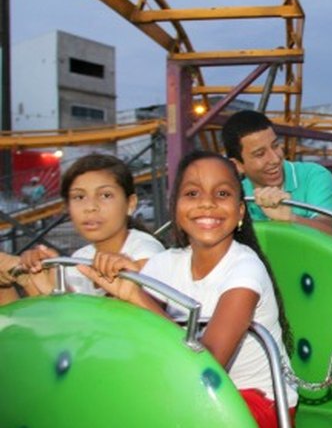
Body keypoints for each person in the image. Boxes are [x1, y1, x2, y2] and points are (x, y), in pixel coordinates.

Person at [78, 151, 298, 428]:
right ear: (176, 208)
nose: (206, 203)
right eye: (192, 194)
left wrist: (137, 296)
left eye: (222, 194)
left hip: (253, 403)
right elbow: (120, 335)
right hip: (190, 396)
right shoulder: (166, 263)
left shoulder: (245, 269)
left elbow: (208, 365)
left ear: (240, 211)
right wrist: (121, 287)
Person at [13, 154, 164, 299]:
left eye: (105, 195)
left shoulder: (146, 252)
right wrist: (46, 278)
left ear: (130, 204)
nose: (90, 207)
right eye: (79, 197)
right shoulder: (80, 258)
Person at [222, 111, 332, 235]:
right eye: (260, 154)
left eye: (275, 146)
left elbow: (329, 230)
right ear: (237, 165)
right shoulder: (235, 196)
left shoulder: (314, 175)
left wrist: (290, 218)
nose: (275, 159)